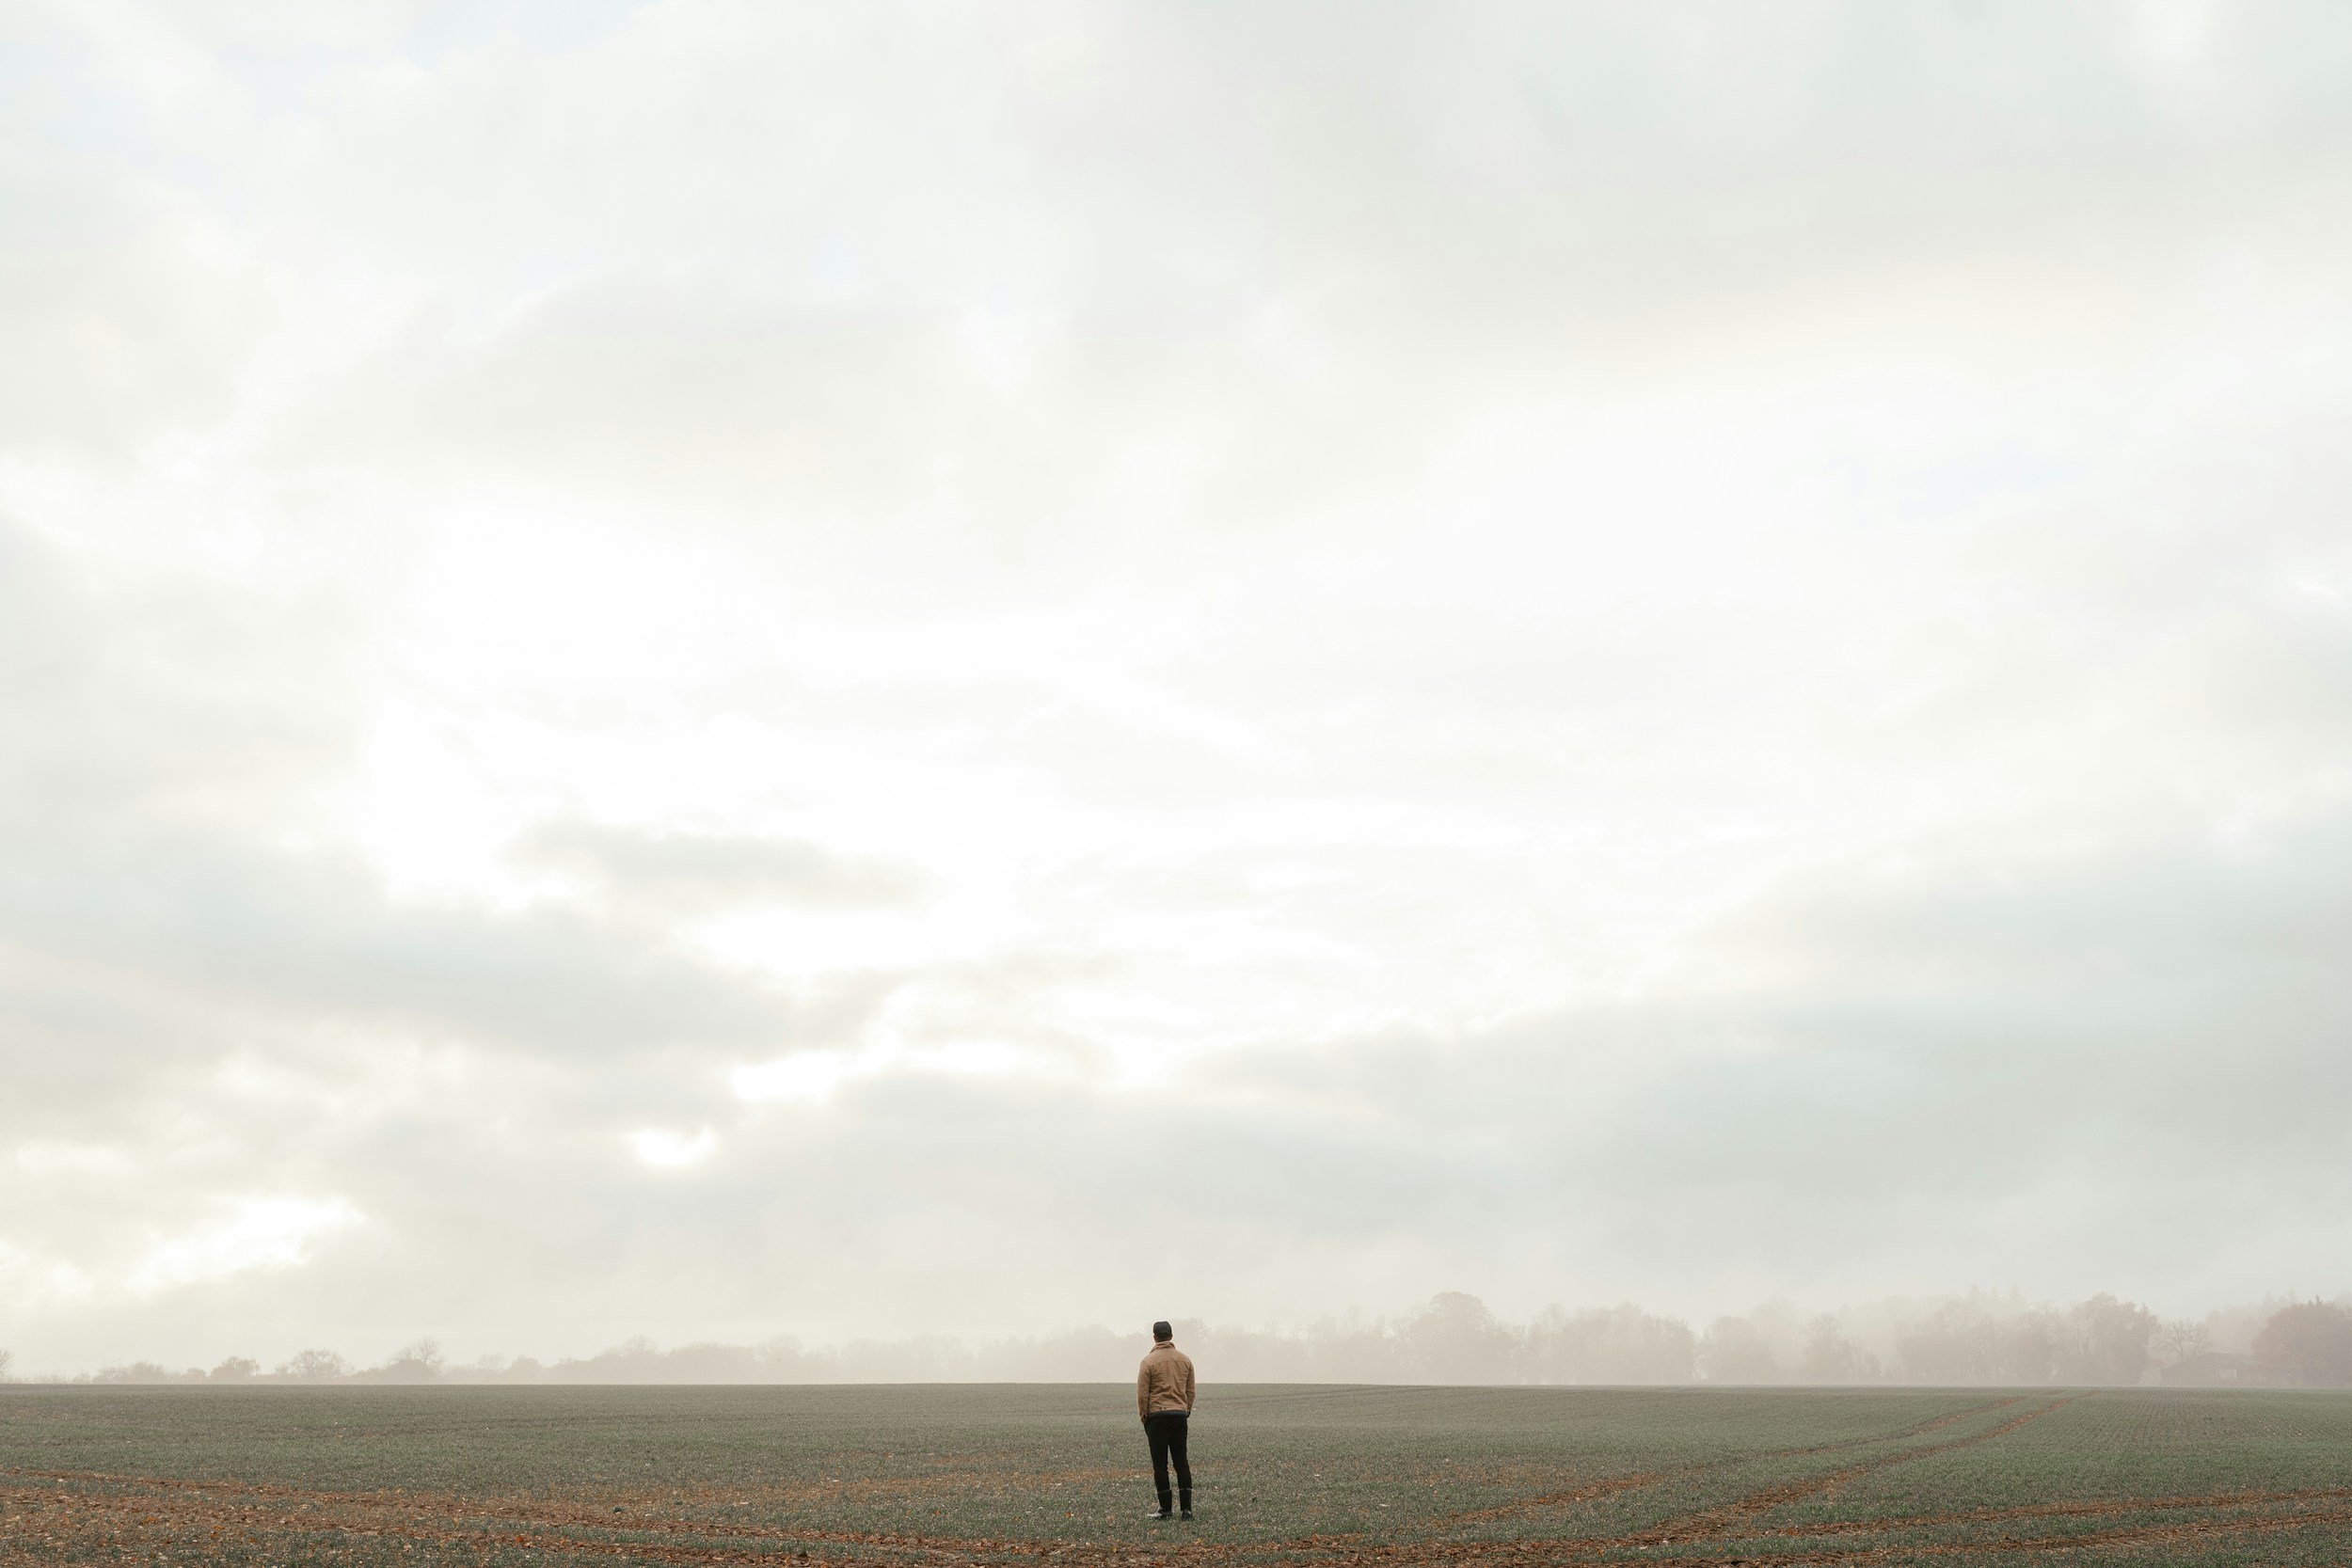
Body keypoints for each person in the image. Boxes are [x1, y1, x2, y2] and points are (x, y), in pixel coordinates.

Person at [1136, 1320, 1196, 1521]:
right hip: (1179, 1416)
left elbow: (1143, 1394)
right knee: (1182, 1462)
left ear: (1155, 1337)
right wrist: (1185, 1409)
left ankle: (1165, 1509)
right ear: (1171, 1336)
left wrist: (1144, 1415)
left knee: (1160, 1465)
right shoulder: (1185, 1360)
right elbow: (1190, 1391)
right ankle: (1186, 1510)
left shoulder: (1148, 1362)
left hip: (1157, 1418)